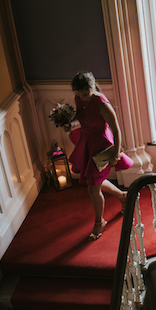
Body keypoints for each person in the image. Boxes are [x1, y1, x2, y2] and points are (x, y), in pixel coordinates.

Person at [65, 71, 133, 241]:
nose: (82, 97)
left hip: (102, 145)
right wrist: (70, 124)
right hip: (87, 142)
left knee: (92, 188)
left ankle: (99, 222)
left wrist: (116, 154)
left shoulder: (103, 105)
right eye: (78, 94)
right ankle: (123, 196)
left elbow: (117, 130)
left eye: (85, 94)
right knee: (94, 181)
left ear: (93, 87)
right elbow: (80, 118)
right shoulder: (79, 99)